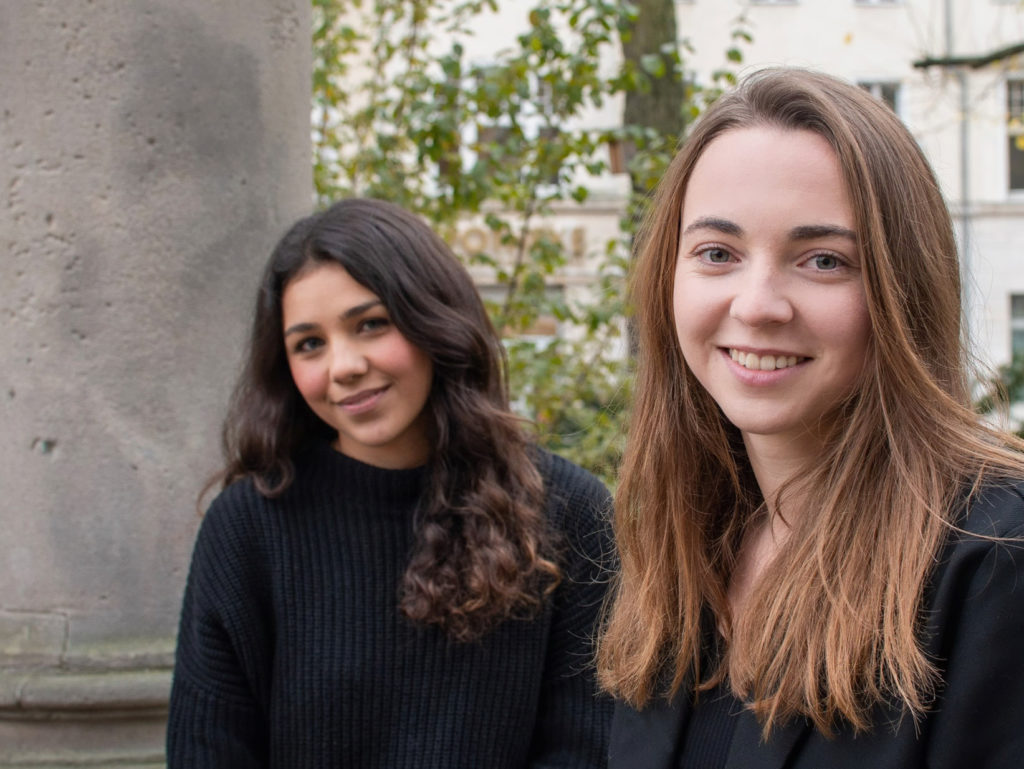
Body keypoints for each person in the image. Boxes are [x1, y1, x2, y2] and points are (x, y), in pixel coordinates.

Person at [597, 67, 1024, 768]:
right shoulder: (682, 546)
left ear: (902, 288)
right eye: (717, 253)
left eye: (823, 259)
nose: (758, 303)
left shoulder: (993, 556)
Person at [166, 197, 613, 767]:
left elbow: (586, 748)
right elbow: (209, 752)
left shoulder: (570, 514)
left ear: (434, 320)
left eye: (371, 324)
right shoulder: (248, 527)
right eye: (310, 343)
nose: (343, 365)